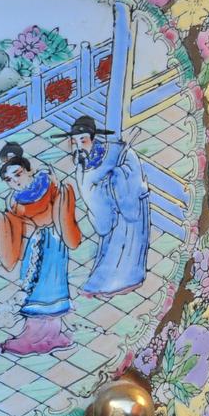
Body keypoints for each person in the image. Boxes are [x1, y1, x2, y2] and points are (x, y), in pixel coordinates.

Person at [0, 142, 82, 355]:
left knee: (50, 284)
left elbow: (63, 203)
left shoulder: (48, 183)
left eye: (18, 174)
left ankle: (49, 335)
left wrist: (61, 190)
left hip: (54, 241)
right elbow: (13, 224)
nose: (15, 181)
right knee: (31, 283)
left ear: (28, 170)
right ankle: (34, 333)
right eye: (9, 179)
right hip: (35, 243)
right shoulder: (14, 200)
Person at [64, 115, 151, 296]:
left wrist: (115, 180)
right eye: (74, 142)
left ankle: (129, 280)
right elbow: (88, 191)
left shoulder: (117, 152)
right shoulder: (81, 164)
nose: (79, 146)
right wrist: (100, 193)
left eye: (83, 141)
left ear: (93, 139)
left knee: (128, 246)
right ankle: (102, 282)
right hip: (107, 212)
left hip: (127, 208)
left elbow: (132, 172)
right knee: (109, 249)